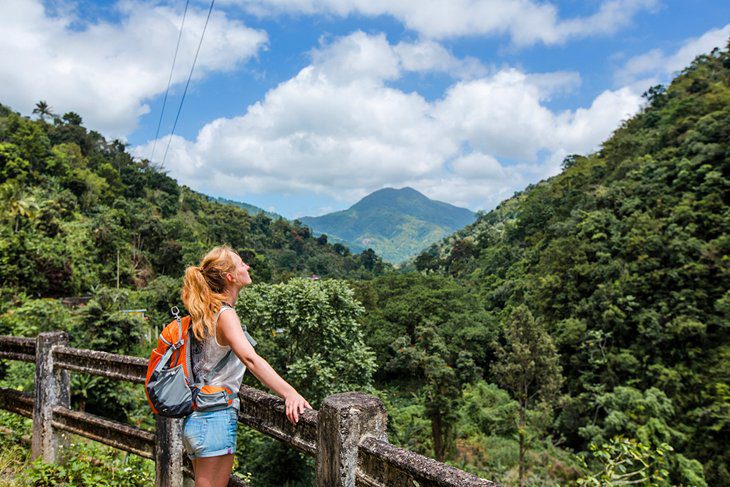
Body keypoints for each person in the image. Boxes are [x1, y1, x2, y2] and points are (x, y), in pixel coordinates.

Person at [181, 246, 311, 487]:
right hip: (215, 418)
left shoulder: (205, 311)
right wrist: (289, 392)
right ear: (230, 277)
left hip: (198, 417)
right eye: (241, 264)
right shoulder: (225, 314)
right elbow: (250, 359)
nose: (247, 267)